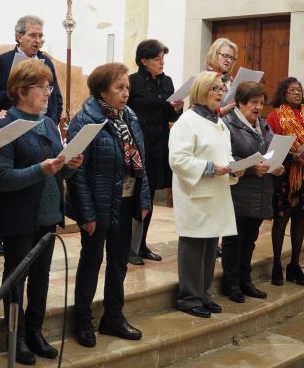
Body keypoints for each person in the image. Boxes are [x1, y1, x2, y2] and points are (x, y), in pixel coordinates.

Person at [0, 59, 83, 365]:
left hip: (48, 213)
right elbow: (1, 179)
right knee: (16, 278)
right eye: (41, 87)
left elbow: (57, 172)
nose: (47, 93)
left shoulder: (48, 124)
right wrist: (40, 170)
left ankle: (34, 331)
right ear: (21, 91)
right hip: (19, 215)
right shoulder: (5, 127)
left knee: (42, 277)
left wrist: (69, 166)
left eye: (49, 87)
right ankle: (15, 336)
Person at [66, 63, 151, 348]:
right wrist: (86, 213)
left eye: (127, 87)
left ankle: (113, 316)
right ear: (102, 91)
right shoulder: (85, 121)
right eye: (119, 88)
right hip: (98, 203)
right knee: (91, 262)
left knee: (118, 262)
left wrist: (144, 198)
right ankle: (82, 319)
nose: (126, 93)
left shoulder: (130, 117)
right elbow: (77, 174)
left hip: (125, 201)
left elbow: (141, 162)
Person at [168, 71, 242, 319]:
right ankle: (188, 298)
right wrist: (210, 168)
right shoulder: (187, 121)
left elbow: (224, 154)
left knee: (211, 246)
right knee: (193, 246)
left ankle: (204, 294)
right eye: (215, 89)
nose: (220, 93)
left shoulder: (218, 122)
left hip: (216, 193)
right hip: (195, 194)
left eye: (222, 89)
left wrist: (233, 168)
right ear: (201, 90)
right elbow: (178, 159)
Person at [221, 81, 285, 303]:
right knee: (234, 240)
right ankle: (231, 283)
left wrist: (276, 165)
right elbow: (226, 156)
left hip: (260, 192)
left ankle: (245, 280)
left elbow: (270, 153)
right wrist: (250, 168)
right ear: (240, 103)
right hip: (238, 192)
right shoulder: (227, 125)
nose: (258, 107)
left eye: (261, 103)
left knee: (250, 239)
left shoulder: (264, 125)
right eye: (253, 102)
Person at [126, 39, 183, 265]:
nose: (162, 63)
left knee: (148, 197)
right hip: (139, 144)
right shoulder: (132, 82)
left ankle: (141, 244)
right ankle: (128, 247)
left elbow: (170, 116)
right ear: (144, 60)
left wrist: (177, 109)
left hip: (159, 145)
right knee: (135, 196)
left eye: (163, 59)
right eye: (157, 59)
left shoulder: (166, 81)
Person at [266, 77, 304, 287]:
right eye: (292, 90)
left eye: (299, 89)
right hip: (284, 175)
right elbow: (270, 147)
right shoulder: (275, 116)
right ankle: (276, 265)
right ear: (283, 93)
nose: (297, 93)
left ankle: (294, 265)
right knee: (281, 219)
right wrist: (294, 157)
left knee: (299, 219)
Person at [0, 15, 63, 125]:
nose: (38, 40)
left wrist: (53, 121)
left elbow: (56, 97)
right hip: (13, 124)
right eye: (33, 35)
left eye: (40, 36)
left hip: (44, 123)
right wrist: (15, 93)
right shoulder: (4, 61)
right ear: (20, 37)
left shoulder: (46, 61)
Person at [205, 37, 239, 116]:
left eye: (232, 58)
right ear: (214, 54)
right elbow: (198, 106)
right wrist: (220, 111)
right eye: (225, 55)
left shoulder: (229, 80)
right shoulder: (205, 79)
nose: (229, 60)